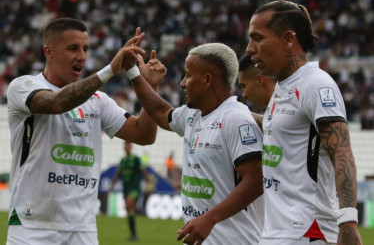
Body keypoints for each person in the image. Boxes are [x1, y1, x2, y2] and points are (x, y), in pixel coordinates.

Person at [6, 18, 166, 245]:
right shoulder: (24, 87)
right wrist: (110, 70)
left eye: (85, 48)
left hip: (83, 229)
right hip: (32, 226)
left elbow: (144, 135)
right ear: (48, 52)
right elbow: (56, 104)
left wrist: (149, 86)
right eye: (73, 48)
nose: (81, 56)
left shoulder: (97, 101)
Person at [246, 0, 362, 245]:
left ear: (288, 39)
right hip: (277, 232)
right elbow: (280, 129)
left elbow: (342, 153)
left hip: (309, 233)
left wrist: (348, 222)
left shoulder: (315, 84)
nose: (249, 48)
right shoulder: (283, 86)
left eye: (257, 38)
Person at [129, 41, 264, 244]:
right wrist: (137, 76)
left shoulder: (235, 119)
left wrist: (209, 219)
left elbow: (256, 181)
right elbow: (160, 111)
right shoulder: (192, 116)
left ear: (207, 79)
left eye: (188, 75)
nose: (182, 83)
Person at [108, 141, 148, 241]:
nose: (127, 147)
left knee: (128, 204)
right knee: (130, 211)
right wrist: (111, 187)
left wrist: (149, 184)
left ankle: (133, 234)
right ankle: (133, 234)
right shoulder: (123, 160)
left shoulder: (136, 159)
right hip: (126, 188)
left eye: (129, 145)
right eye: (126, 145)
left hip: (134, 188)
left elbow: (144, 172)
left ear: (131, 147)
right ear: (124, 147)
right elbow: (117, 174)